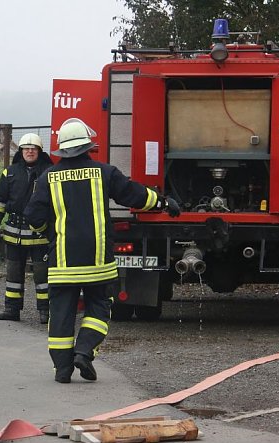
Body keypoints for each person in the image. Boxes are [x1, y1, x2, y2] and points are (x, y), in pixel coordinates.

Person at [23, 118, 180, 383]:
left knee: (61, 313)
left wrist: (46, 232)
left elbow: (33, 216)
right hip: (98, 262)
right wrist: (163, 202)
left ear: (62, 149)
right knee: (99, 306)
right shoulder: (104, 172)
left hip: (63, 262)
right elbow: (135, 196)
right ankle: (84, 351)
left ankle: (62, 370)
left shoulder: (47, 177)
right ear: (87, 147)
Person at [0, 133, 54, 324]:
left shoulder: (49, 172)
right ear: (21, 151)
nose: (30, 151)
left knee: (42, 274)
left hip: (39, 232)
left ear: (40, 152)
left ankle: (45, 311)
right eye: (26, 148)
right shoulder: (9, 172)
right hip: (14, 232)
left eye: (33, 149)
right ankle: (12, 309)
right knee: (13, 273)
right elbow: (0, 199)